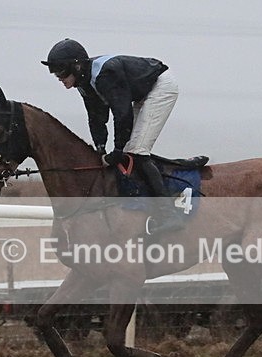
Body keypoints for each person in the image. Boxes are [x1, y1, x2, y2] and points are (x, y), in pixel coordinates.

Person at [41, 38, 184, 234]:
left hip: (160, 87)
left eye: (61, 72)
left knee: (137, 152)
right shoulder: (83, 83)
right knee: (130, 152)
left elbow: (121, 113)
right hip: (140, 93)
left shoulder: (105, 75)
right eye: (55, 73)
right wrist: (100, 147)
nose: (59, 77)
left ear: (77, 65)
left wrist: (116, 150)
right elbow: (96, 117)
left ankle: (169, 214)